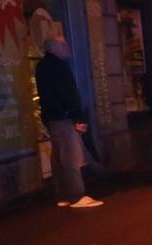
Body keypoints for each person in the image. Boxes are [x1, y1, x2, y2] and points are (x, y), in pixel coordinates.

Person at [35, 37, 102, 208]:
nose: (67, 48)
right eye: (63, 45)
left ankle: (63, 195)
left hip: (52, 117)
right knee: (70, 157)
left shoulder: (42, 66)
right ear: (56, 48)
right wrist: (78, 116)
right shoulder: (59, 67)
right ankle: (76, 196)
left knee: (58, 157)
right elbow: (69, 94)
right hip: (64, 117)